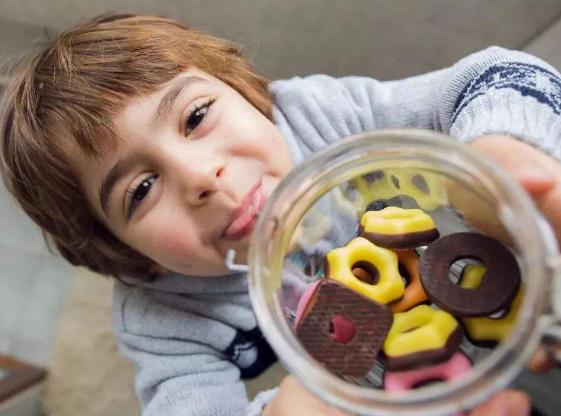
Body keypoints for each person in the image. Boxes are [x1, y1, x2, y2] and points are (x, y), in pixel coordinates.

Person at [1, 13, 559, 416]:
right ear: (123, 250)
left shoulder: (321, 117)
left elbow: (491, 76)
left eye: (196, 116)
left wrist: (502, 146)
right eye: (141, 189)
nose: (201, 178)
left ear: (247, 92)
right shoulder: (161, 318)